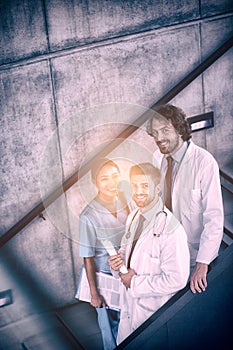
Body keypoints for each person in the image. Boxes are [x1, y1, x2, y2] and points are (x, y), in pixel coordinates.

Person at [108, 163, 190, 344]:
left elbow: (177, 280)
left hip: (152, 318)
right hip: (129, 311)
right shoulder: (133, 217)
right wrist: (117, 262)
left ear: (158, 188)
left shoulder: (172, 230)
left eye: (145, 186)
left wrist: (135, 282)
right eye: (135, 186)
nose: (138, 192)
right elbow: (127, 252)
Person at [146, 104, 224, 294]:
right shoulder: (159, 158)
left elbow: (214, 217)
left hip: (192, 254)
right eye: (155, 132)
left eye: (165, 130)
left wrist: (202, 263)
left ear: (180, 129)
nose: (159, 138)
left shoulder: (204, 162)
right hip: (165, 249)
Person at [79, 158, 129, 350]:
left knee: (130, 320)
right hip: (105, 279)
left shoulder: (124, 201)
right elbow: (88, 258)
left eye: (115, 176)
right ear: (96, 183)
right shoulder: (88, 215)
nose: (111, 183)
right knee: (110, 328)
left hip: (126, 272)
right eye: (105, 179)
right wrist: (94, 293)